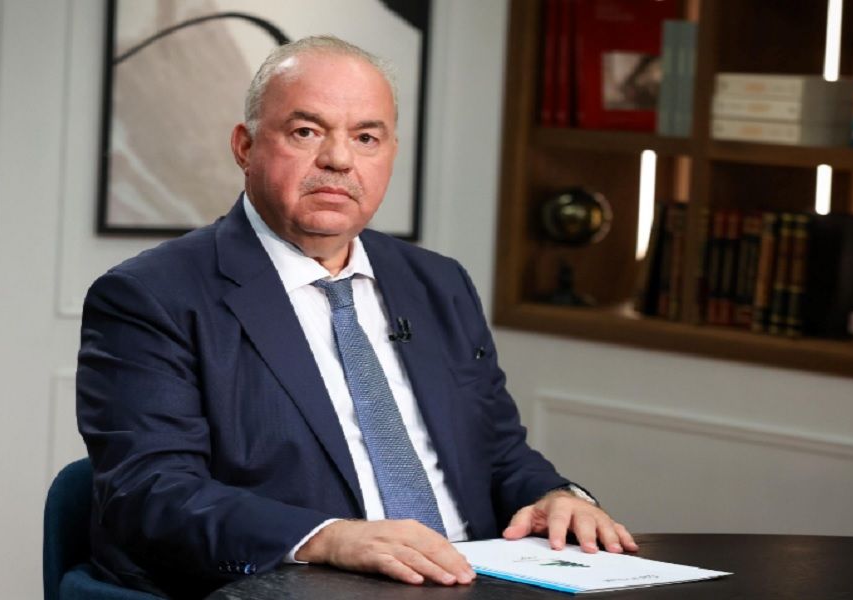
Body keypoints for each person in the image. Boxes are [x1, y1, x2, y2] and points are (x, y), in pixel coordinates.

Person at [77, 35, 636, 598]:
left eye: (366, 137)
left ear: (391, 153)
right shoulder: (151, 296)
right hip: (293, 587)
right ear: (245, 147)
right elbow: (149, 491)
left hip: (474, 581)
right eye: (306, 132)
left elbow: (497, 451)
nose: (339, 160)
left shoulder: (438, 283)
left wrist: (554, 496)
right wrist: (328, 538)